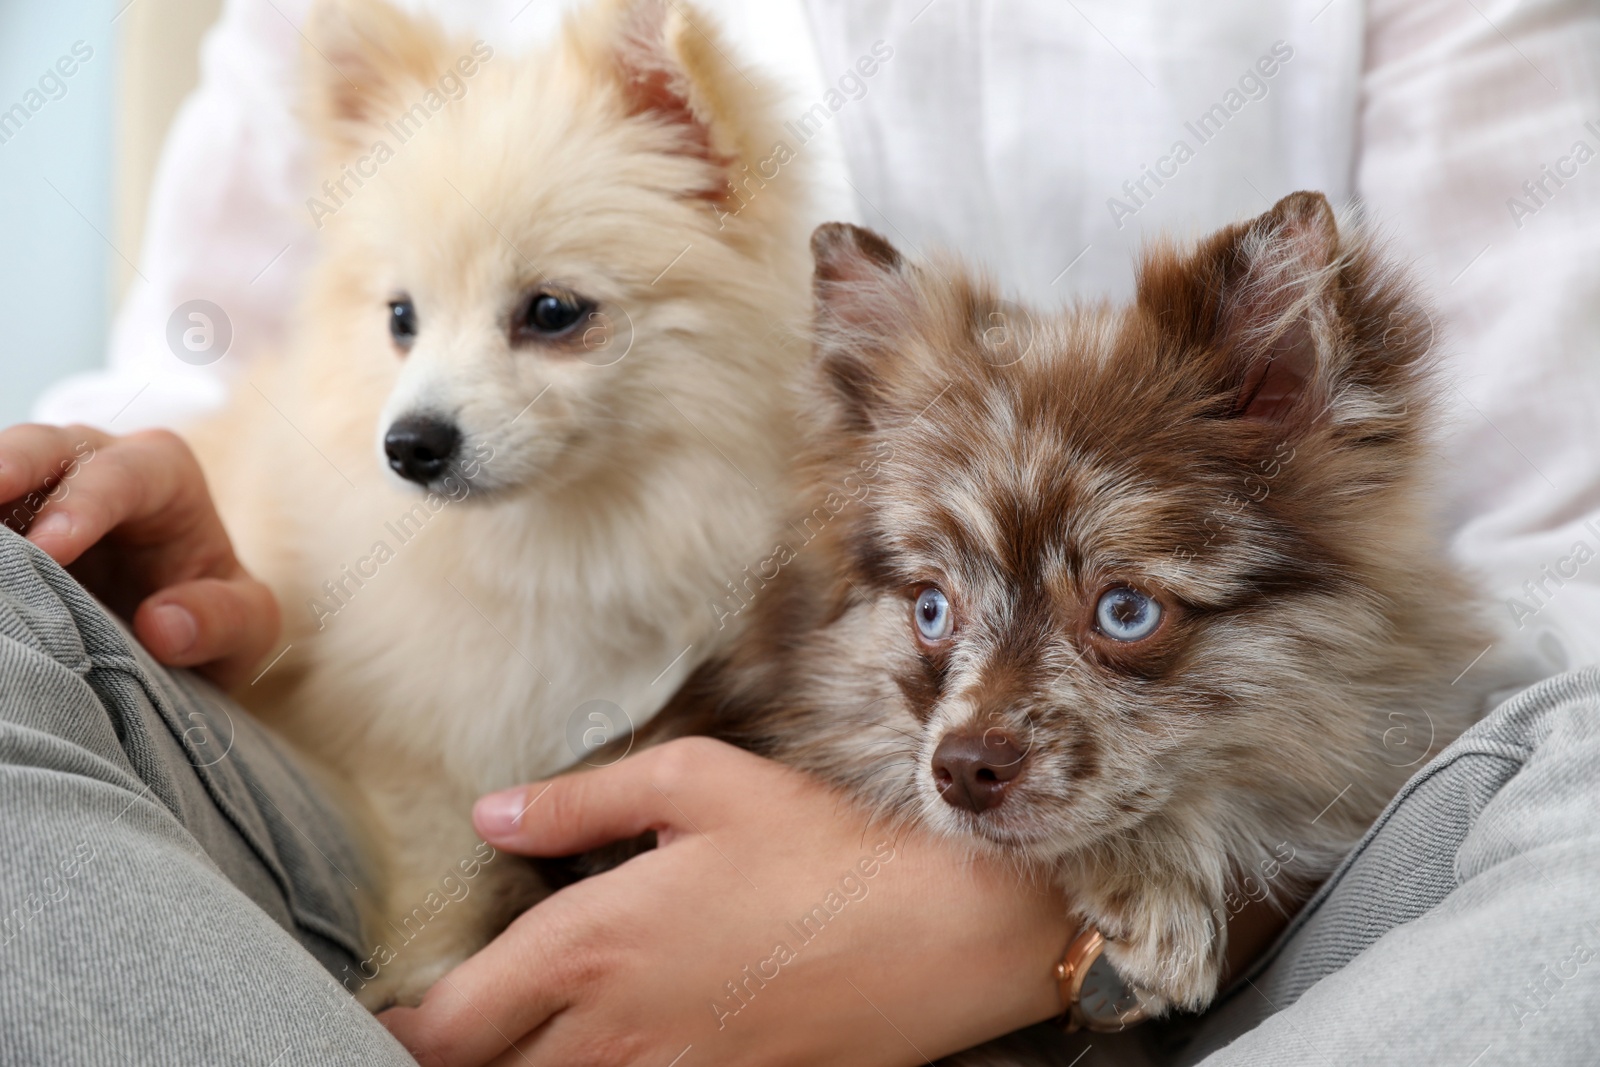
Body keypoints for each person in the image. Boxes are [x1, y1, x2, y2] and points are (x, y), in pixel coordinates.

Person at [10, 0, 1600, 1063]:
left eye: (558, 313)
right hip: (354, 803)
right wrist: (140, 515)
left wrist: (1030, 921)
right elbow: (207, 356)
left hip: (1249, 894)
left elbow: (1565, 557)